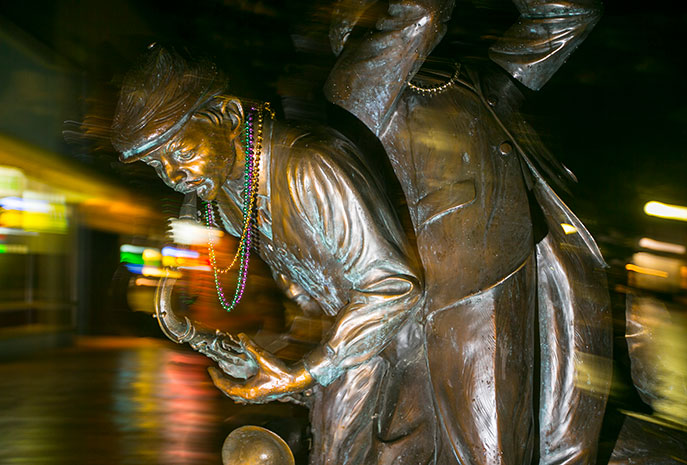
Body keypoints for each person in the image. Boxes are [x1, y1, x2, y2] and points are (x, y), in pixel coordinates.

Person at [112, 46, 437, 465]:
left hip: (406, 343)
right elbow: (305, 289)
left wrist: (303, 372)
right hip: (349, 347)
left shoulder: (310, 166)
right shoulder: (229, 198)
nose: (175, 178)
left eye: (182, 154)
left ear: (228, 118)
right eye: (159, 167)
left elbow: (394, 286)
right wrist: (273, 353)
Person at [323, 0, 611, 464]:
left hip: (537, 266)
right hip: (464, 293)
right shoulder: (355, 88)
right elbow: (422, 12)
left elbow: (570, 14)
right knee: (495, 453)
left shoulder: (476, 81)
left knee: (559, 437)